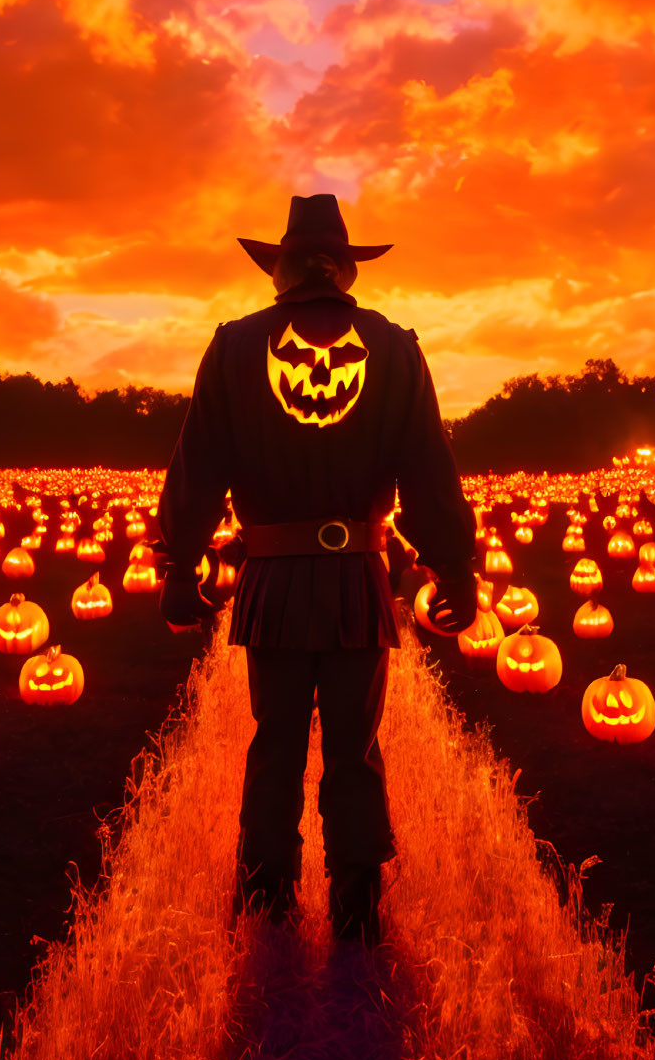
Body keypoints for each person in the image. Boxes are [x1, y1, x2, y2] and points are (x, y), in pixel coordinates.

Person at [154, 194, 478, 946]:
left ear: (280, 269)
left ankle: (267, 899)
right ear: (345, 270)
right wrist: (452, 564)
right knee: (354, 745)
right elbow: (429, 467)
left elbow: (197, 467)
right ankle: (357, 905)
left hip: (271, 582)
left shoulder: (235, 348)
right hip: (357, 580)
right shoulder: (394, 349)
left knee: (275, 741)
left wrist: (180, 565)